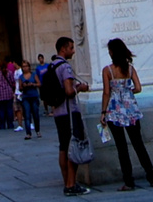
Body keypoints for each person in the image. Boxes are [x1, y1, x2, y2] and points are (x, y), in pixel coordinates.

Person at [102, 39, 153, 191]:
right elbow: (138, 88)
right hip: (130, 109)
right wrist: (128, 92)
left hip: (114, 110)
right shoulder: (130, 69)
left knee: (122, 148)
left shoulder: (108, 70)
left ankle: (129, 181)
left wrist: (103, 112)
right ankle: (151, 176)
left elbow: (106, 92)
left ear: (112, 52)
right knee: (138, 144)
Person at [50, 37, 90, 197]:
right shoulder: (65, 67)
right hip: (69, 112)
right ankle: (71, 184)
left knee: (63, 147)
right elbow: (68, 91)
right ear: (63, 49)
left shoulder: (52, 65)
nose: (73, 51)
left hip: (58, 112)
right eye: (71, 48)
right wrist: (80, 87)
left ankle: (67, 181)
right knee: (74, 147)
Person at [19, 60, 42, 140]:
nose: (25, 68)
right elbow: (20, 88)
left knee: (35, 114)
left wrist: (33, 84)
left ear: (29, 67)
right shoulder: (21, 77)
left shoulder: (34, 75)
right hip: (26, 97)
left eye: (26, 66)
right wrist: (23, 86)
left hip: (34, 96)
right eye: (23, 66)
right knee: (27, 115)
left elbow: (39, 84)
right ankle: (28, 133)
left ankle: (37, 130)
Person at [0, 60, 16, 129]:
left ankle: (2, 124)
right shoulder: (9, 73)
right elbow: (13, 81)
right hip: (8, 93)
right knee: (9, 109)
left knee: (1, 110)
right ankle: (10, 124)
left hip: (0, 94)